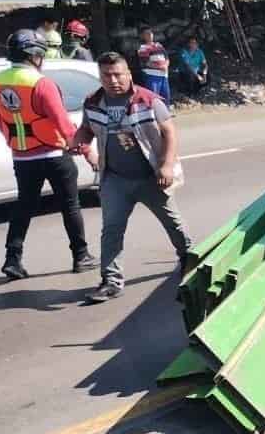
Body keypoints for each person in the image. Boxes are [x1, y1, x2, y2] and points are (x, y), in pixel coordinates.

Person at [74, 52, 191, 303]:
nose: (113, 80)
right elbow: (86, 129)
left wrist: (166, 166)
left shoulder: (148, 101)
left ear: (128, 74)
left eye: (118, 74)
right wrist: (78, 140)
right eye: (107, 75)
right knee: (112, 229)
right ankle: (111, 281)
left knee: (173, 223)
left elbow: (169, 132)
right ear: (100, 77)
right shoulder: (93, 103)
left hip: (151, 177)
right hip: (115, 179)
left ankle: (188, 259)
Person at [0, 29, 98, 280]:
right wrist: (87, 150)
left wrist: (15, 143)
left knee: (24, 206)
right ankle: (81, 256)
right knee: (70, 205)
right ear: (35, 55)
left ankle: (12, 259)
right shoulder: (41, 83)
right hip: (53, 155)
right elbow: (63, 123)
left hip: (22, 158)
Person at [136, 25, 171, 102]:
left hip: (164, 75)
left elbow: (167, 58)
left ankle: (166, 113)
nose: (150, 34)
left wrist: (166, 65)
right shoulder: (143, 47)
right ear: (142, 36)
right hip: (152, 75)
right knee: (154, 99)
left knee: (166, 97)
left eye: (151, 32)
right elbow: (146, 63)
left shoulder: (159, 45)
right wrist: (160, 67)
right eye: (146, 33)